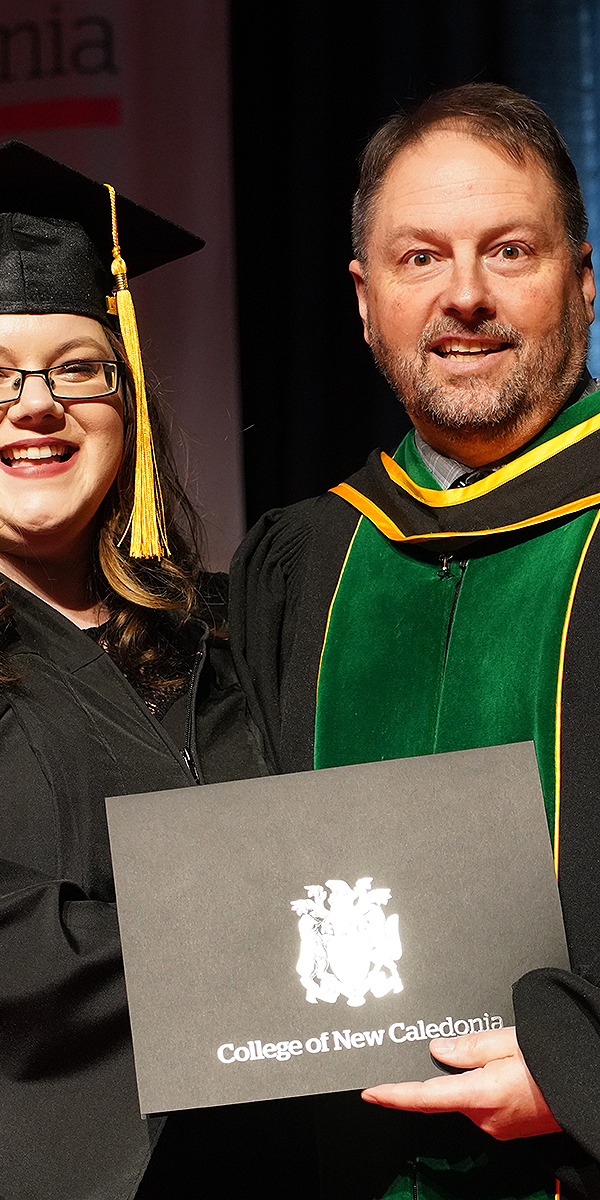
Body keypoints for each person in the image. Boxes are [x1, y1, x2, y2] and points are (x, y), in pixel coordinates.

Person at [0, 142, 300, 1200]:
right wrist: (245, 960)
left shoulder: (223, 632)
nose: (36, 405)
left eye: (79, 368)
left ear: (127, 402)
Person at [231, 83, 600, 1199]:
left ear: (583, 281)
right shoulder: (302, 563)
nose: (464, 295)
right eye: (420, 258)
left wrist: (583, 1074)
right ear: (364, 299)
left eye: (510, 251)